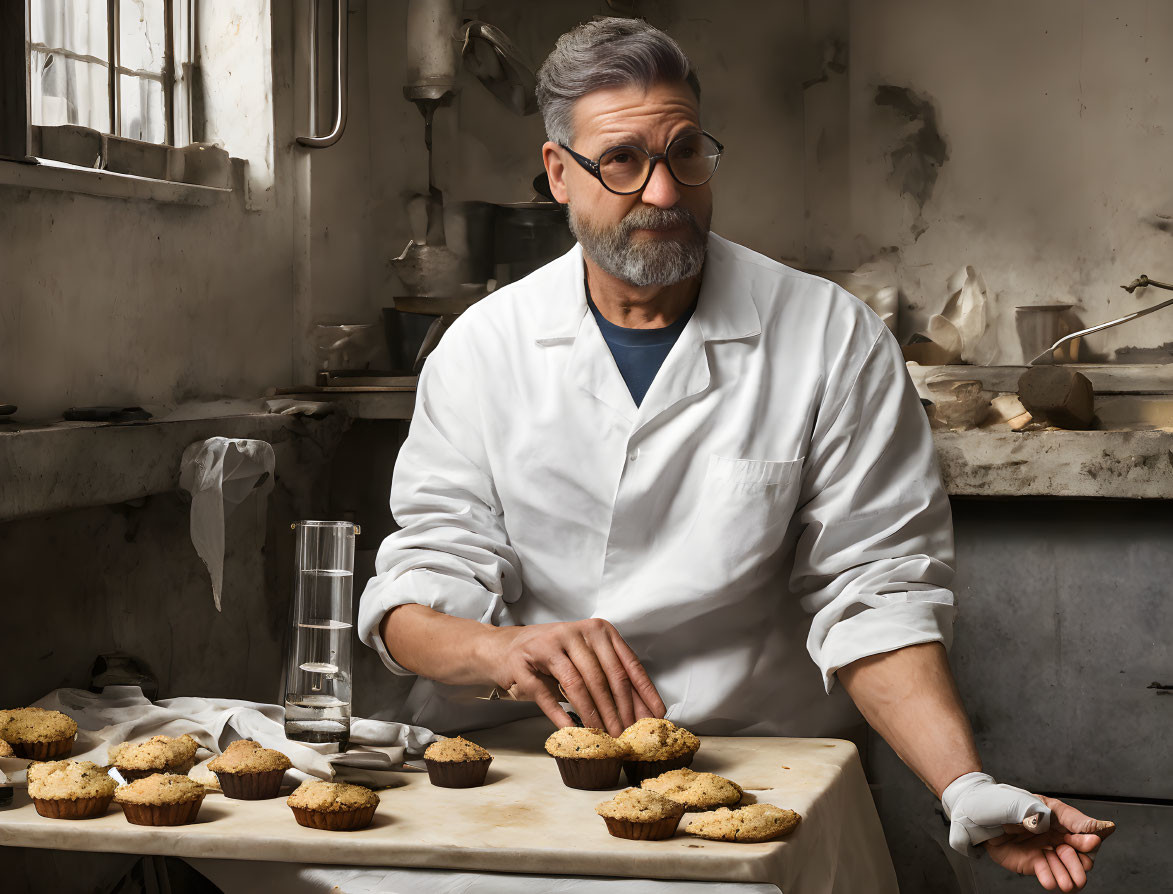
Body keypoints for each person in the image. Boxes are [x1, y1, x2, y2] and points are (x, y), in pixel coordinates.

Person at [358, 17, 1111, 891]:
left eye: (686, 153)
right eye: (623, 161)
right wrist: (495, 654)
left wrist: (962, 782)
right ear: (559, 173)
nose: (665, 191)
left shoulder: (830, 337)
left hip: (753, 770)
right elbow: (424, 581)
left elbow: (873, 588)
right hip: (521, 761)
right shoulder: (482, 348)